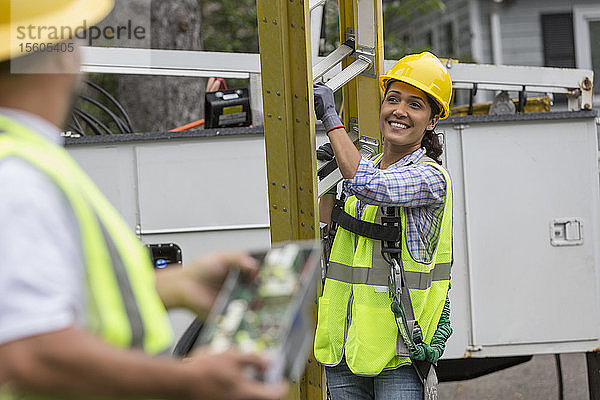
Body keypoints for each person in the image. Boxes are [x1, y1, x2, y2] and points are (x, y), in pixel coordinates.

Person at [0, 1, 287, 399]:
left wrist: (175, 285)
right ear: (63, 55)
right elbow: (31, 353)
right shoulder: (19, 177)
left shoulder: (25, 161)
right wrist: (190, 381)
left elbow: (57, 308)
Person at [313, 52, 454, 400]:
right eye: (393, 99)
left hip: (398, 359)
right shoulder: (369, 166)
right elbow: (329, 224)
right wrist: (326, 180)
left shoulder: (429, 177)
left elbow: (374, 187)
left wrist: (332, 121)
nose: (400, 111)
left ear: (432, 121)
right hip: (344, 352)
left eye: (415, 104)